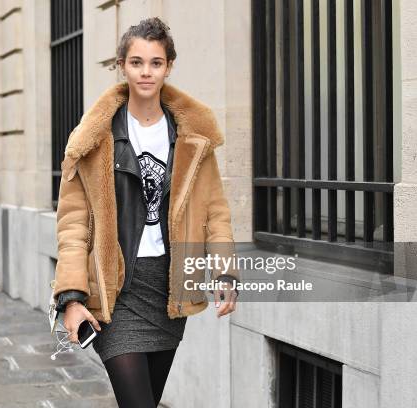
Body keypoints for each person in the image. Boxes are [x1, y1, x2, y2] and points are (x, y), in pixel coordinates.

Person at [53, 17, 240, 407]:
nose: (146, 72)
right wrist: (70, 298)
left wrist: (224, 269)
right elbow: (72, 226)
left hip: (169, 287)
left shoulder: (192, 136)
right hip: (115, 289)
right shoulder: (93, 138)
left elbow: (215, 210)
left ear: (168, 66)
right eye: (137, 62)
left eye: (155, 63)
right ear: (122, 64)